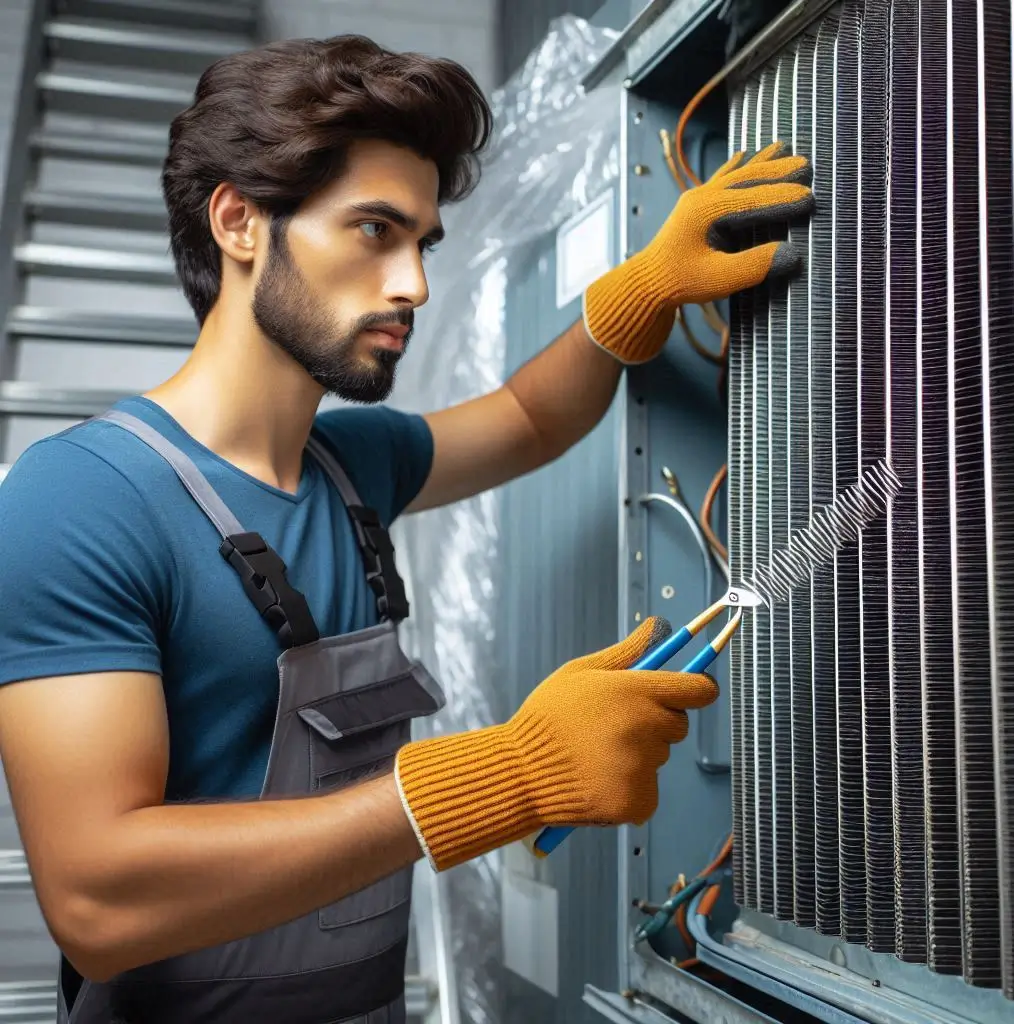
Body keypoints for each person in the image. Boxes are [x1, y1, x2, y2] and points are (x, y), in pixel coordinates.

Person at [0, 34, 812, 1024]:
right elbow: (97, 897)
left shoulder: (354, 468)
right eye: (373, 230)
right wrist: (503, 774)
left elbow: (525, 417)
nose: (413, 286)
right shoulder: (83, 497)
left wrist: (632, 296)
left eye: (420, 242)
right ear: (239, 222)